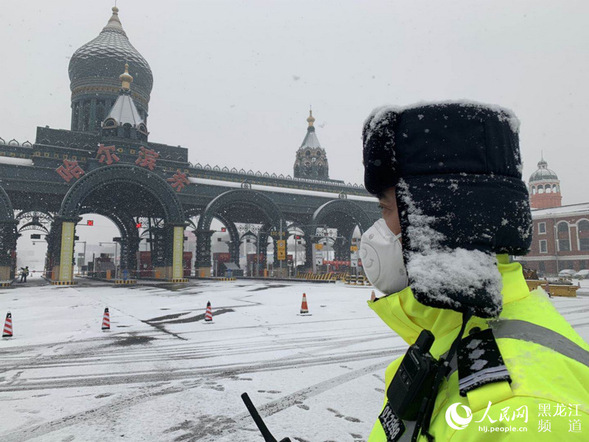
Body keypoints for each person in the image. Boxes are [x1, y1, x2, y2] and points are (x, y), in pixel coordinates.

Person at [360, 102, 589, 441]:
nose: (377, 229)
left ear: (442, 217)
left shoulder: (520, 416)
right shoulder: (451, 339)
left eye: (386, 208)